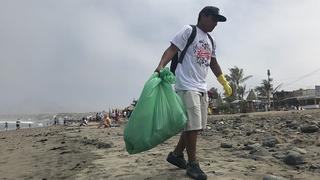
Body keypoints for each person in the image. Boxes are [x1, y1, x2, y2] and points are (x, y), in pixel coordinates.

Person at [155, 6, 232, 180]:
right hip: (185, 84)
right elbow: (172, 49)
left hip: (201, 87)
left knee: (195, 126)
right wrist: (160, 66)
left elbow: (213, 62)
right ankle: (193, 164)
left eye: (217, 21)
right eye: (213, 19)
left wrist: (223, 80)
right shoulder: (189, 31)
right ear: (203, 16)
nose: (215, 24)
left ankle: (175, 155)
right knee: (193, 126)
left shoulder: (211, 40)